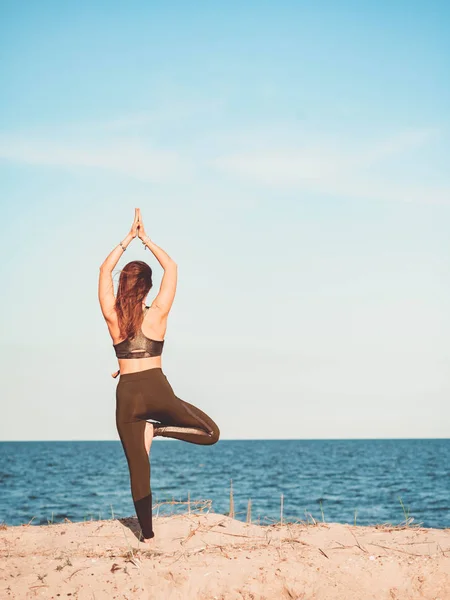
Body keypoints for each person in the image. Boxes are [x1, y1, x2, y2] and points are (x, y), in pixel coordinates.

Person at [98, 208, 220, 542]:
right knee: (211, 432)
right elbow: (173, 267)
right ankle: (161, 427)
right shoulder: (159, 314)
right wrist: (145, 238)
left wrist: (126, 239)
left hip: (127, 395)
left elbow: (103, 268)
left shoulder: (112, 315)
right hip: (156, 391)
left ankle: (147, 536)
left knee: (138, 470)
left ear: (122, 283)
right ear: (148, 287)